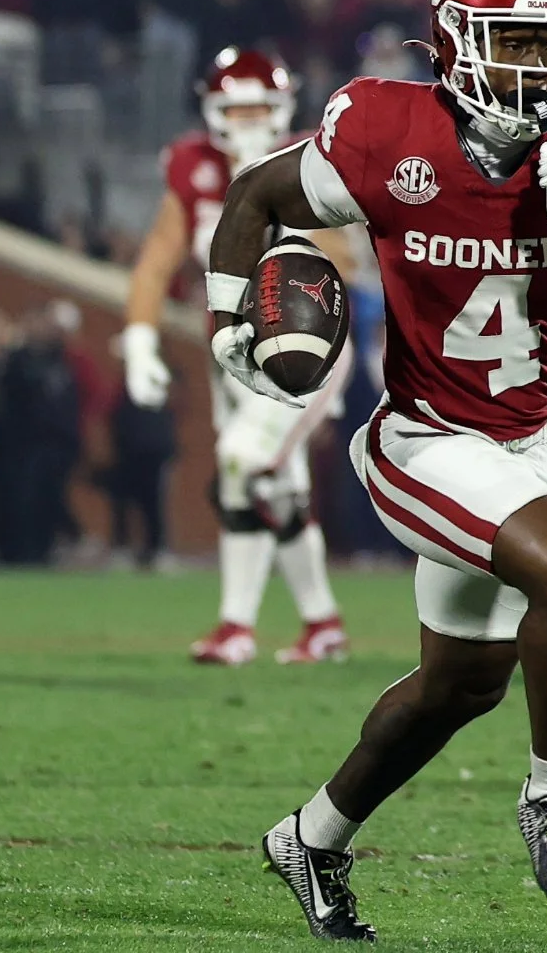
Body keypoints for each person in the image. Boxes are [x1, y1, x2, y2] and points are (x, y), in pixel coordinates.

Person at [203, 0, 547, 939]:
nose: (537, 66)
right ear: (455, 39)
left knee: (459, 687)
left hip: (530, 441)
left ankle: (311, 839)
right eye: (514, 40)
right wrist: (228, 320)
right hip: (423, 438)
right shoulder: (384, 129)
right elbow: (257, 195)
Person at [120, 46, 356, 666]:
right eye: (237, 111)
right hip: (232, 351)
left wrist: (283, 209)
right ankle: (319, 625)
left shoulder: (310, 160)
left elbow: (347, 262)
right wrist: (140, 340)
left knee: (240, 462)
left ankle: (239, 626)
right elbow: (157, 260)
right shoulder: (193, 166)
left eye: (259, 110)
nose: (249, 123)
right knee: (273, 483)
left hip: (305, 347)